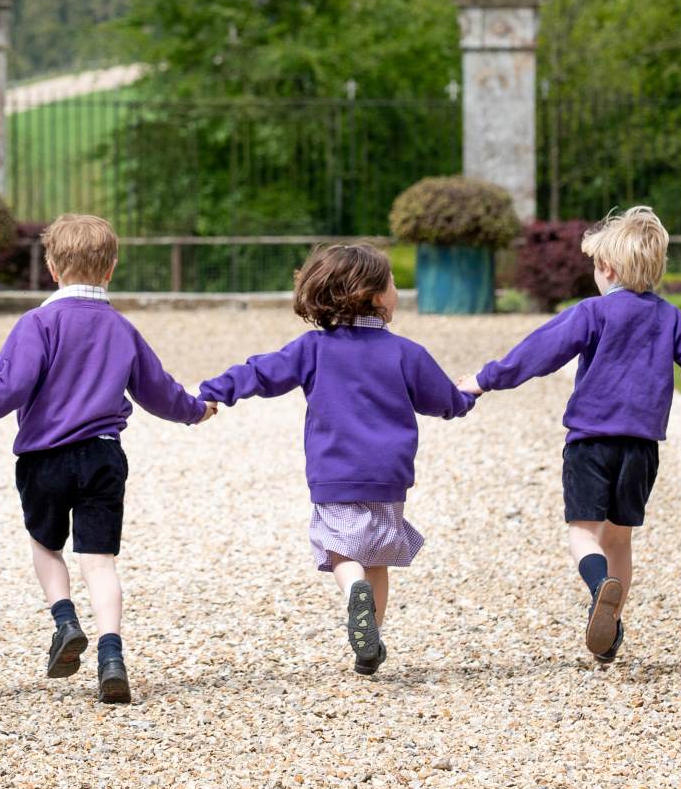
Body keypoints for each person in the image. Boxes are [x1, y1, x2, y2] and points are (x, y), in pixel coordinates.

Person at [0, 213, 213, 704]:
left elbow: (10, 388)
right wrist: (195, 411)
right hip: (104, 456)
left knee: (46, 546)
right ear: (111, 268)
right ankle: (111, 654)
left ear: (52, 268)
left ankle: (65, 622)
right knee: (100, 562)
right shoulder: (121, 328)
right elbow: (158, 392)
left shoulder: (37, 323)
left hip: (45, 459)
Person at [455, 206, 681, 664]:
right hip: (640, 449)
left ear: (608, 268)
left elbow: (538, 353)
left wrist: (484, 380)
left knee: (583, 535)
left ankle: (599, 586)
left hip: (590, 444)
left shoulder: (593, 312)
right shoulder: (669, 317)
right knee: (620, 539)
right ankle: (611, 627)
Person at [197, 243, 474, 676]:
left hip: (335, 472)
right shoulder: (404, 352)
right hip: (388, 475)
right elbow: (443, 400)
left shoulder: (313, 348)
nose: (398, 289)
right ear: (377, 297)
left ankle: (353, 598)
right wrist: (466, 396)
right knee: (378, 554)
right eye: (394, 283)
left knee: (341, 549)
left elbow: (261, 373)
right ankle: (370, 645)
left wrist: (215, 390)